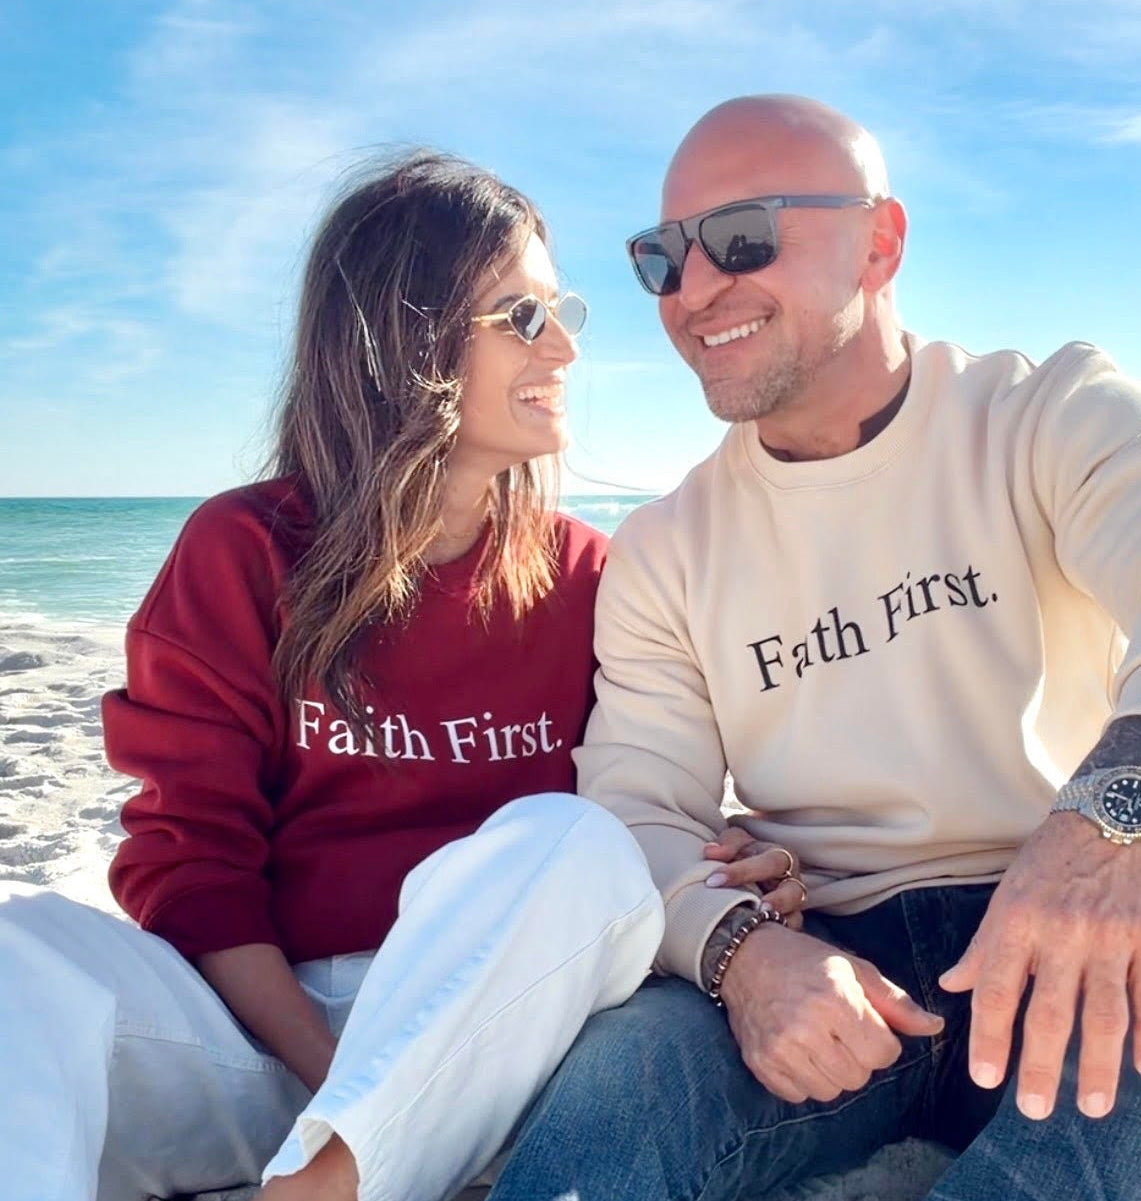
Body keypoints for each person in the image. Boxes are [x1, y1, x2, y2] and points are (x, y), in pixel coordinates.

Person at [485, 96, 1141, 1201]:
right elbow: (638, 804)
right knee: (618, 1092)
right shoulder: (667, 546)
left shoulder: (1037, 412)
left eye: (742, 238)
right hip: (826, 969)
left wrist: (1119, 806)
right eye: (662, 258)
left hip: (1066, 932)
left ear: (880, 242)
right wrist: (741, 953)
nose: (693, 290)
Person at [0, 152, 664, 1201]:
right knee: (16, 951)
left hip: (486, 1044)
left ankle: (331, 1180)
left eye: (560, 310)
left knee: (578, 843)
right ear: (406, 338)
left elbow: (634, 820)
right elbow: (194, 866)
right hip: (262, 1037)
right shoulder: (245, 549)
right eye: (523, 316)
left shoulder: (587, 573)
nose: (567, 347)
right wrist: (341, 1082)